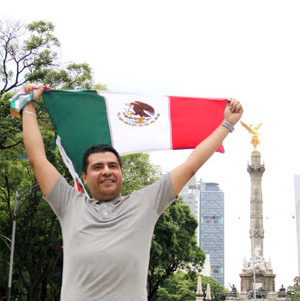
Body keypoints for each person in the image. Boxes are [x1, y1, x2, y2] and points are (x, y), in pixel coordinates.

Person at [22, 83, 243, 301]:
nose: (106, 171)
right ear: (85, 177)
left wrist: (227, 124)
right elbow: (37, 159)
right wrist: (28, 105)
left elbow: (191, 165)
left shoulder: (145, 203)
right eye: (97, 167)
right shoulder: (69, 204)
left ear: (121, 174)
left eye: (113, 166)